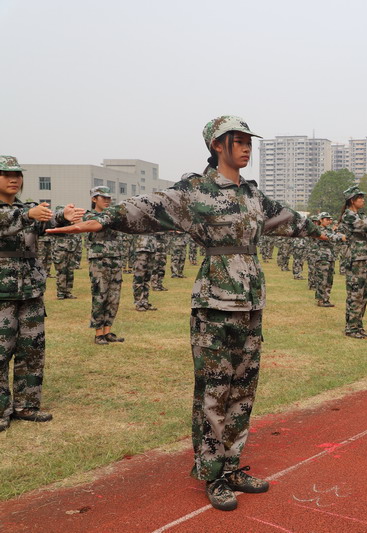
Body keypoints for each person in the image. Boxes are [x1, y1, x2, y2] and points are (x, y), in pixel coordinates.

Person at [47, 116, 322, 511]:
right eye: (238, 141)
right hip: (213, 303)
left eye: (249, 142)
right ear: (217, 145)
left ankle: (232, 465)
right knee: (214, 388)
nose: (246, 148)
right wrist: (100, 219)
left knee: (243, 390)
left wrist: (334, 230)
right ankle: (212, 473)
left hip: (251, 301)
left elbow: (293, 221)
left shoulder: (253, 196)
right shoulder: (194, 191)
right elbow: (144, 208)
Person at [0, 155, 84, 431]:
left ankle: (26, 405)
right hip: (2, 293)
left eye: (17, 174)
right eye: (6, 174)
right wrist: (27, 215)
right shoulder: (20, 211)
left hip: (31, 291)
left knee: (31, 349)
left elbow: (43, 224)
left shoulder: (27, 208)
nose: (14, 179)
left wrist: (63, 216)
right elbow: (13, 220)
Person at [85, 186, 126, 345]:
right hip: (99, 259)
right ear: (94, 199)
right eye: (103, 198)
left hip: (115, 258)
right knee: (100, 294)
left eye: (109, 198)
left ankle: (108, 331)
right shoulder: (89, 216)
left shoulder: (114, 215)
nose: (107, 201)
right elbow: (96, 224)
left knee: (114, 296)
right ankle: (98, 333)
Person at [339, 186, 367, 338]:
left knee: (364, 293)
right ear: (352, 200)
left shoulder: (361, 215)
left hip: (365, 257)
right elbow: (365, 226)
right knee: (355, 293)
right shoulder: (349, 216)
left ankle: (358, 325)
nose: (363, 200)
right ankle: (351, 328)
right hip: (355, 258)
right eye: (359, 197)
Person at [314, 212, 346, 307]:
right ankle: (320, 300)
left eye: (329, 219)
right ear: (321, 220)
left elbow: (336, 235)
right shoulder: (318, 229)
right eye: (326, 219)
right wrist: (341, 237)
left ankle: (326, 299)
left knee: (329, 279)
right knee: (322, 279)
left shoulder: (329, 229)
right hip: (322, 257)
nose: (329, 221)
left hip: (331, 257)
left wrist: (339, 233)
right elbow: (330, 237)